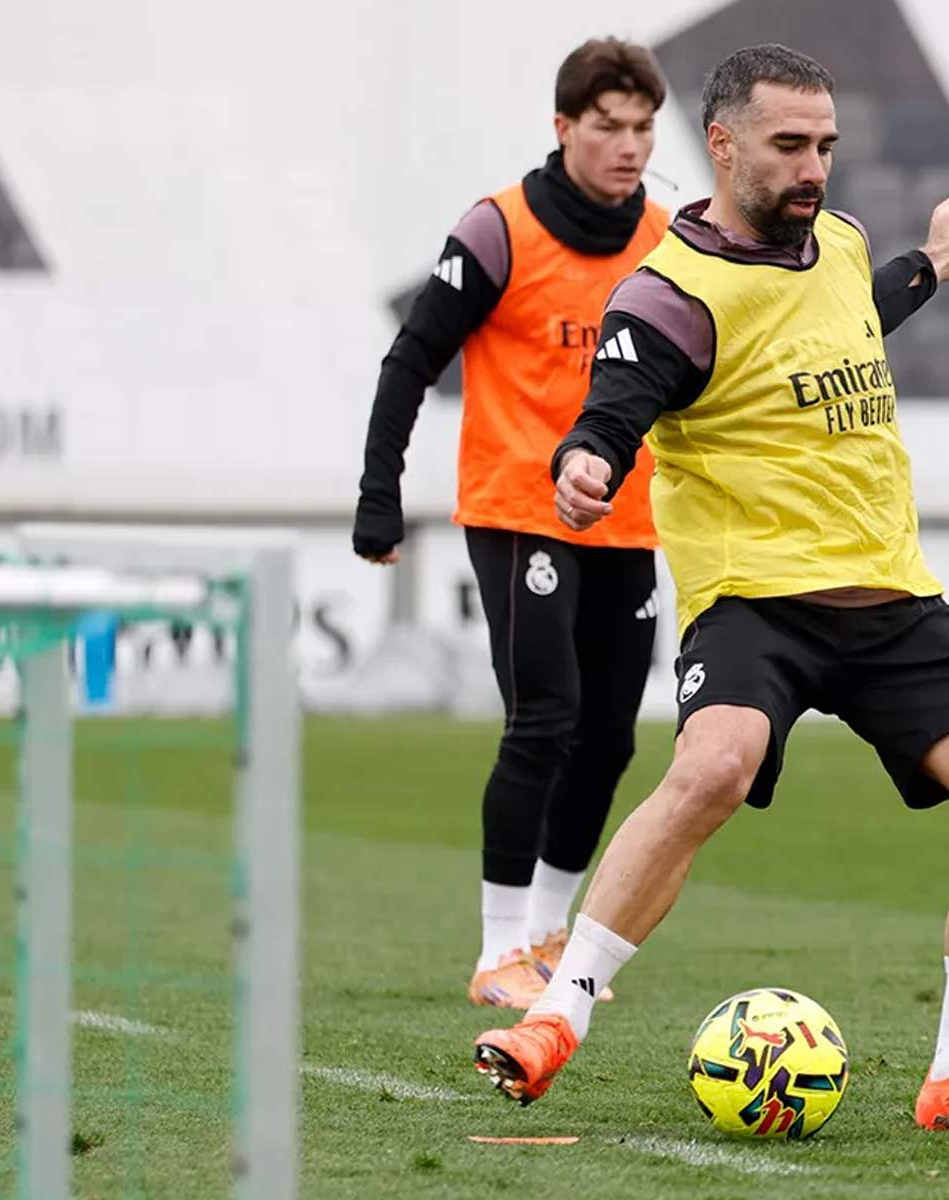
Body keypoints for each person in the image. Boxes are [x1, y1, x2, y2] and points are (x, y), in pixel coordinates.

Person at [471, 43, 949, 1138]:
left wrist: (930, 260)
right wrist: (587, 465)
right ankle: (555, 1016)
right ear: (723, 144)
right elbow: (614, 405)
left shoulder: (833, 243)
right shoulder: (668, 295)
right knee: (712, 765)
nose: (813, 167)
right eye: (790, 146)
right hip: (757, 600)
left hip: (888, 591)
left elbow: (848, 326)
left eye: (826, 146)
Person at [352, 38, 671, 1009]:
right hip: (517, 510)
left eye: (642, 129)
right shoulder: (499, 230)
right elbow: (410, 360)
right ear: (563, 127)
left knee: (610, 737)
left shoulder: (667, 236)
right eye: (607, 127)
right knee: (544, 718)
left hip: (628, 519)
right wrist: (379, 492)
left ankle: (546, 933)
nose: (626, 146)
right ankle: (497, 950)